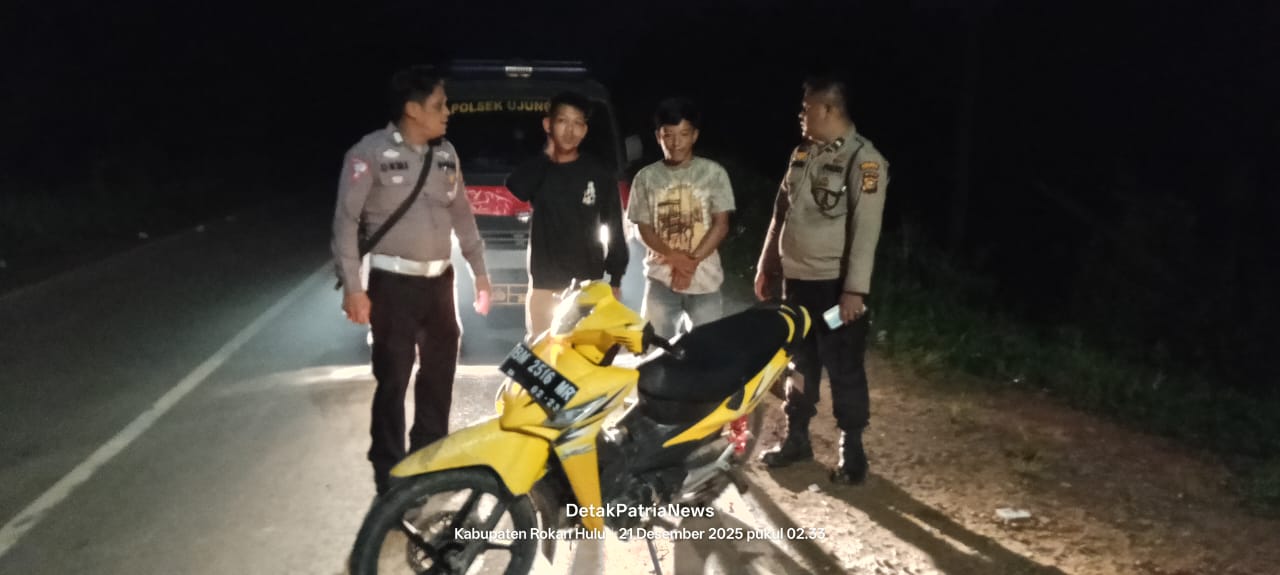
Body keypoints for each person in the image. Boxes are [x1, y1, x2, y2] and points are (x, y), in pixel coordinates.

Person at [331, 65, 491, 495]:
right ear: (412, 109)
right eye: (439, 105)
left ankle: (429, 461)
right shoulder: (369, 153)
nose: (447, 112)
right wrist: (354, 288)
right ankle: (390, 475)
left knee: (439, 377)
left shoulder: (447, 154)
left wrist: (480, 272)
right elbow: (345, 222)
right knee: (393, 380)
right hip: (392, 286)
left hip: (440, 284)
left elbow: (463, 216)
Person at [754, 74, 890, 485]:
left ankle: (852, 450)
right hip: (796, 285)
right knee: (799, 362)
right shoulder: (802, 154)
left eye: (807, 108)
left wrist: (854, 291)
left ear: (828, 109)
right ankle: (796, 437)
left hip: (833, 291)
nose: (801, 115)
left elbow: (866, 230)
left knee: (843, 365)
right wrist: (766, 263)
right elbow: (781, 213)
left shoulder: (864, 160)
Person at [505, 91, 628, 337]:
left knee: (582, 351)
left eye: (577, 123)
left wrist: (615, 278)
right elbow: (517, 186)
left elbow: (614, 225)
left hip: (586, 283)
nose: (570, 130)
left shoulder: (598, 172)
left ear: (585, 130)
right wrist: (547, 155)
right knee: (542, 351)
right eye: (562, 121)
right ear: (548, 124)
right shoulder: (539, 169)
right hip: (544, 283)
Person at [626, 97, 734, 337]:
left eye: (684, 134)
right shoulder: (645, 178)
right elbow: (643, 227)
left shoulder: (714, 173)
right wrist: (673, 257)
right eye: (669, 135)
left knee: (707, 349)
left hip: (705, 281)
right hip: (660, 280)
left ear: (694, 135)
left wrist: (691, 263)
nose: (676, 143)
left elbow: (721, 225)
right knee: (655, 348)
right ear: (658, 136)